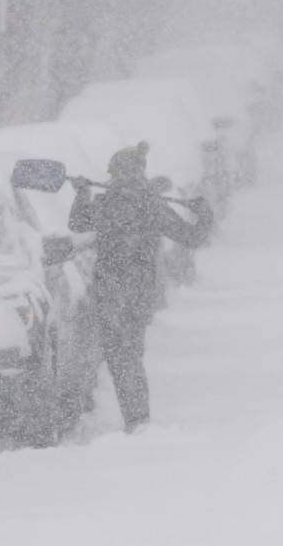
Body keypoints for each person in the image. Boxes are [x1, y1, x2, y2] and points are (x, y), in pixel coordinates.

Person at [68, 142, 212, 432]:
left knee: (116, 355)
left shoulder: (107, 204)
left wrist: (82, 193)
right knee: (131, 354)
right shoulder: (153, 205)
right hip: (141, 292)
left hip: (110, 291)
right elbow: (191, 237)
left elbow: (77, 222)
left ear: (117, 173)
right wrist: (204, 214)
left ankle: (134, 417)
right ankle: (138, 417)